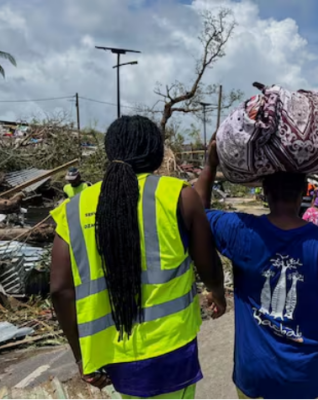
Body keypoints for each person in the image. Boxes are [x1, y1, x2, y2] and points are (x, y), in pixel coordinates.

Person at [50, 116, 226, 399]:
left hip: (111, 353)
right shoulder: (176, 195)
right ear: (156, 153)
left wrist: (82, 356)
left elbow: (60, 291)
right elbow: (207, 264)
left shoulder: (73, 210)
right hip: (170, 346)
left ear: (110, 153)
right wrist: (217, 293)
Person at [196, 141, 318, 399]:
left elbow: (196, 215)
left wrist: (210, 165)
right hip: (305, 379)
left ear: (264, 190)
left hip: (254, 376)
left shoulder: (241, 231)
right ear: (304, 191)